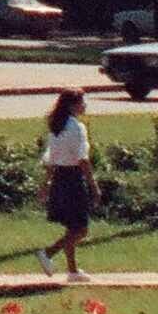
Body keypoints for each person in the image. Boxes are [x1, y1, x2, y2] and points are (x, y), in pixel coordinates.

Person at [36, 89, 96, 281]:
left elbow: (51, 159)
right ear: (72, 105)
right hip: (73, 178)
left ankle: (72, 271)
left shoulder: (57, 127)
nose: (84, 106)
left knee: (72, 227)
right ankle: (48, 253)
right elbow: (83, 160)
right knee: (81, 228)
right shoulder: (76, 128)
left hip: (59, 178)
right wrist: (93, 186)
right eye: (81, 102)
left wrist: (46, 184)